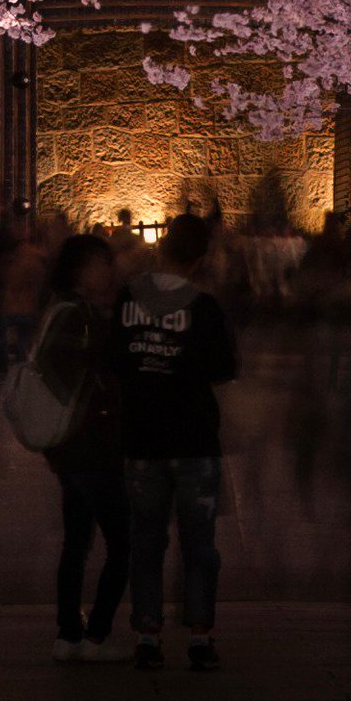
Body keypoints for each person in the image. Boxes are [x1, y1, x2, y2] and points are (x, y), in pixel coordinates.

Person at [115, 213, 240, 671]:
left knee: (146, 540)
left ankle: (147, 634)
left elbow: (114, 363)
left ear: (164, 248)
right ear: (201, 258)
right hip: (193, 439)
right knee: (199, 543)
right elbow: (224, 368)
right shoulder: (204, 307)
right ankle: (200, 635)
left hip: (142, 437)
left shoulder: (128, 299)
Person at [20, 235, 131, 660]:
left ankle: (68, 635)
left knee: (78, 541)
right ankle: (96, 635)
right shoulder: (78, 316)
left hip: (72, 451)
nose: (110, 270)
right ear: (82, 269)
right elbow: (78, 375)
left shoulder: (61, 310)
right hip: (91, 448)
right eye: (104, 262)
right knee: (122, 542)